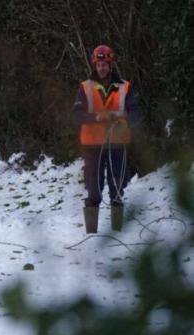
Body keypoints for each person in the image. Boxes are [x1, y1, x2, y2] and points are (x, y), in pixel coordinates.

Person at [72, 45, 141, 233]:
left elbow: (136, 112)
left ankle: (117, 232)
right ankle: (91, 234)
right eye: (99, 64)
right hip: (91, 146)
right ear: (95, 64)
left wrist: (125, 122)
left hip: (117, 144)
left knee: (117, 188)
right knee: (93, 189)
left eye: (105, 64)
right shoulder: (85, 87)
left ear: (111, 65)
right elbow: (76, 115)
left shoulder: (125, 87)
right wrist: (96, 118)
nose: (101, 67)